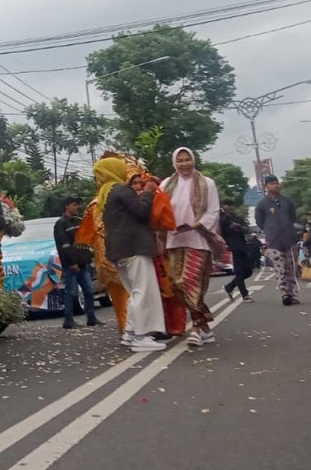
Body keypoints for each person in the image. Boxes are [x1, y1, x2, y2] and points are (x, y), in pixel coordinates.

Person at [94, 156, 166, 351]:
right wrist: (148, 192)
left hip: (119, 251)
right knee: (143, 291)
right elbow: (141, 211)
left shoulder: (105, 193)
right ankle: (141, 337)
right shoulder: (120, 189)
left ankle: (130, 333)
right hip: (134, 248)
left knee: (134, 291)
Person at [160, 148, 220, 346]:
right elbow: (160, 211)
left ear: (193, 160)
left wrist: (194, 225)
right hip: (174, 241)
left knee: (191, 282)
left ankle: (195, 328)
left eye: (187, 160)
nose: (184, 164)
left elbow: (213, 212)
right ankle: (206, 328)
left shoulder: (207, 183)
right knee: (176, 284)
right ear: (174, 163)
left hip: (198, 240)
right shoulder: (166, 184)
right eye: (180, 161)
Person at [54, 196, 101, 328]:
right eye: (74, 205)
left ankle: (91, 317)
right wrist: (71, 263)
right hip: (71, 265)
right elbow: (64, 246)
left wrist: (89, 256)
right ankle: (68, 320)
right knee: (71, 292)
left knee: (89, 290)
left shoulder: (79, 222)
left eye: (77, 205)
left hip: (83, 263)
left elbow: (85, 240)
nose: (77, 207)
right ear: (66, 206)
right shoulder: (61, 224)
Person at [255, 174, 301, 305]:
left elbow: (292, 217)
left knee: (292, 268)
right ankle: (285, 293)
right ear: (266, 187)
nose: (275, 185)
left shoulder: (288, 201)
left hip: (290, 239)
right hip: (273, 241)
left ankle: (293, 294)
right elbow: (259, 222)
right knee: (280, 268)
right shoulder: (262, 205)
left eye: (276, 183)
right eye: (271, 184)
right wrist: (270, 229)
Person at [220, 200, 255, 302]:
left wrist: (239, 227)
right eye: (226, 206)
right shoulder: (221, 220)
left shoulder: (238, 218)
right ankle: (245, 294)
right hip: (232, 247)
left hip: (243, 245)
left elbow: (247, 229)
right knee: (239, 272)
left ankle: (229, 286)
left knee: (248, 271)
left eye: (230, 205)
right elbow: (220, 233)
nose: (229, 208)